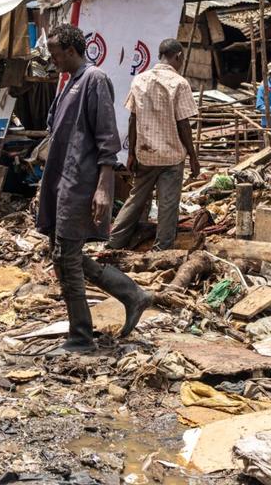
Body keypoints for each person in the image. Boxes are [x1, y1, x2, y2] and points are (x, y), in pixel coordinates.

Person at [36, 23, 152, 353]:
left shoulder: (94, 80)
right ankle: (132, 294)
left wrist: (104, 187)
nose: (53, 59)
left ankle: (80, 337)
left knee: (66, 258)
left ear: (71, 51)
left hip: (81, 185)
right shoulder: (69, 83)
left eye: (56, 54)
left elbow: (106, 140)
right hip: (61, 183)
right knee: (64, 257)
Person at [107, 38, 200, 252]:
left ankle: (114, 242)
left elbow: (132, 118)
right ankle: (162, 250)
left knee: (135, 199)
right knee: (168, 205)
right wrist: (193, 157)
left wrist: (131, 153)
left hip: (145, 154)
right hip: (171, 156)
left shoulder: (140, 80)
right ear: (178, 56)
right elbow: (183, 123)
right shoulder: (179, 83)